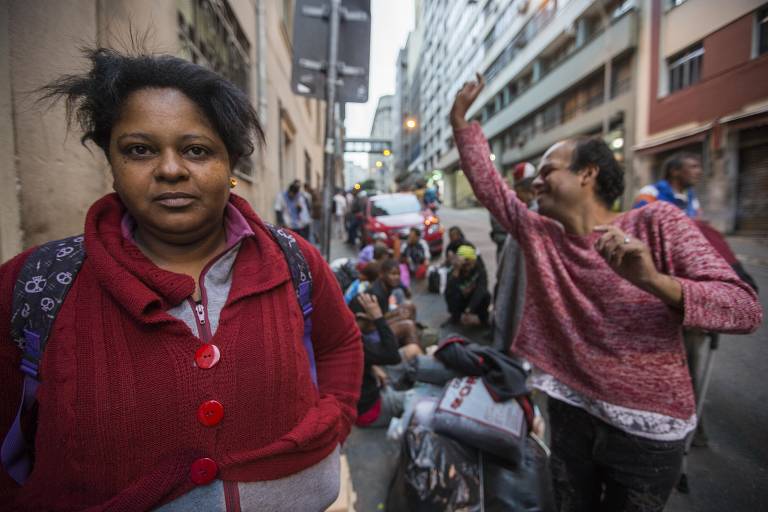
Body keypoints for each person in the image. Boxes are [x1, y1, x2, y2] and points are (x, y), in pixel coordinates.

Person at [0, 48, 363, 511]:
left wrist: (333, 421)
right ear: (111, 160)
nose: (170, 169)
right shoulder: (36, 285)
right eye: (140, 150)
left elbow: (340, 343)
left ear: (230, 164)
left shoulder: (294, 259)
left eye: (196, 150)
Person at [450, 74, 761, 512]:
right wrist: (460, 120)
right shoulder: (541, 235)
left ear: (588, 174)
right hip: (570, 414)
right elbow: (488, 185)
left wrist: (656, 281)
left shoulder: (657, 224)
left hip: (646, 439)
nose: (535, 184)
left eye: (547, 172)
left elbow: (745, 309)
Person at [351, 294, 421, 428]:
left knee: (413, 350)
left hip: (375, 383)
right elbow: (392, 356)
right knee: (424, 397)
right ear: (360, 317)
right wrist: (378, 317)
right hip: (371, 408)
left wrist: (373, 367)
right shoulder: (354, 339)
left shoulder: (347, 332)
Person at [633, 152, 703, 217]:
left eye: (699, 167)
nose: (699, 172)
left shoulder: (691, 197)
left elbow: (698, 222)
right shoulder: (651, 192)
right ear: (674, 171)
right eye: (693, 167)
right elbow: (640, 221)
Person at [370, 259, 420, 349]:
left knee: (410, 306)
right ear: (382, 275)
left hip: (382, 318)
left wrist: (406, 290)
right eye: (393, 274)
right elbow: (375, 323)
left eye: (398, 274)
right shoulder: (377, 294)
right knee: (408, 325)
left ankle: (408, 338)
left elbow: (405, 290)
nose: (396, 277)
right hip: (374, 332)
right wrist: (397, 316)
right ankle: (413, 351)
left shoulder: (389, 283)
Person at [444, 245, 491, 327]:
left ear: (473, 260)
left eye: (469, 262)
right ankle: (455, 317)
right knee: (451, 293)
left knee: (486, 295)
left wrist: (470, 308)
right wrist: (456, 270)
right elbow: (449, 291)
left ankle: (483, 319)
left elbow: (481, 289)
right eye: (465, 264)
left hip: (473, 301)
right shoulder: (454, 270)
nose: (467, 267)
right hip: (460, 301)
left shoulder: (479, 269)